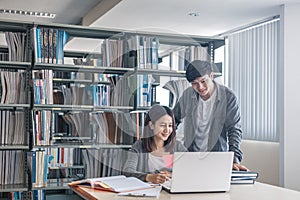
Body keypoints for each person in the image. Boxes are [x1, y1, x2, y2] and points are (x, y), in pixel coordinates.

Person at [173, 60, 248, 171]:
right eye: (194, 83)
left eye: (203, 81)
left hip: (217, 158)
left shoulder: (228, 97)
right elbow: (173, 120)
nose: (200, 87)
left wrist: (234, 159)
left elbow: (234, 130)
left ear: (211, 76)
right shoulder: (188, 95)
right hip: (191, 157)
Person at [123, 105, 187, 184]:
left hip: (170, 192)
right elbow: (127, 171)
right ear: (151, 125)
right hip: (148, 192)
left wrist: (171, 175)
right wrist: (149, 177)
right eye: (162, 125)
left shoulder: (177, 146)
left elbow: (191, 169)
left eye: (170, 126)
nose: (167, 130)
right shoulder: (139, 146)